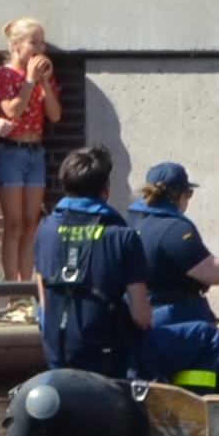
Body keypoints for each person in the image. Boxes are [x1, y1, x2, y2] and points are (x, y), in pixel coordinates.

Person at [122, 157, 219, 385]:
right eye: (189, 194)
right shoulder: (174, 228)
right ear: (179, 196)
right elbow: (213, 272)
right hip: (174, 318)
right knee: (217, 354)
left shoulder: (130, 222)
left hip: (138, 319)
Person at [29, 145, 146, 377]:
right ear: (106, 188)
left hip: (56, 357)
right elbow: (141, 316)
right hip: (108, 361)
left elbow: (44, 305)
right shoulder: (124, 236)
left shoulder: (44, 229)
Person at [0, 16, 63, 283]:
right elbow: (11, 112)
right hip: (11, 151)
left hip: (35, 151)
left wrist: (44, 83)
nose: (40, 48)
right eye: (34, 42)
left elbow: (54, 115)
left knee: (32, 222)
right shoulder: (4, 74)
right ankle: (10, 290)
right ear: (17, 45)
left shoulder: (46, 76)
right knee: (14, 223)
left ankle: (26, 284)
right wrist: (29, 81)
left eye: (42, 42)